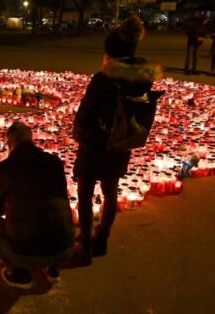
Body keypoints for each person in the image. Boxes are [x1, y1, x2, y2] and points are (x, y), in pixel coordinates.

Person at [72, 16, 161, 265]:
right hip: (121, 144)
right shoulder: (142, 79)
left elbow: (85, 112)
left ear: (110, 55)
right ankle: (102, 240)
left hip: (94, 144)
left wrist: (78, 134)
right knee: (110, 193)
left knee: (85, 195)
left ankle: (86, 244)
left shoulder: (103, 80)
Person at [0, 122, 74, 289]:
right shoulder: (54, 162)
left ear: (8, 144)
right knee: (52, 215)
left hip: (27, 252)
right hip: (65, 248)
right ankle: (53, 269)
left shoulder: (3, 169)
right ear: (32, 139)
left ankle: (19, 273)